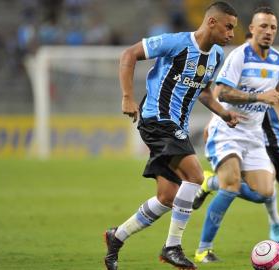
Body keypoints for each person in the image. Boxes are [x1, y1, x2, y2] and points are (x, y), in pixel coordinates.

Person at [103, 2, 242, 270]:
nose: (231, 34)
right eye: (228, 27)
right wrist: (127, 97)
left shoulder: (214, 56)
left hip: (175, 125)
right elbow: (129, 55)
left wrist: (223, 113)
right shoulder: (176, 43)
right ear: (212, 23)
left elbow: (202, 91)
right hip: (157, 118)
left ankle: (116, 237)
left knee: (167, 197)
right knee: (196, 176)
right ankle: (172, 247)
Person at [192, 6, 279, 263]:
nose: (268, 32)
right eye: (263, 27)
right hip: (227, 131)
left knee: (264, 194)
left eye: (273, 28)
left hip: (253, 135)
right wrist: (258, 97)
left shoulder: (278, 60)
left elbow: (275, 91)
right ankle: (204, 249)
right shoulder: (240, 56)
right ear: (252, 29)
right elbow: (222, 92)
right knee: (232, 185)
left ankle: (210, 182)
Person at [193, 64, 279, 256]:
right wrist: (213, 120)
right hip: (250, 136)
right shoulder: (241, 66)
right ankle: (274, 222)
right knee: (251, 184)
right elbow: (219, 92)